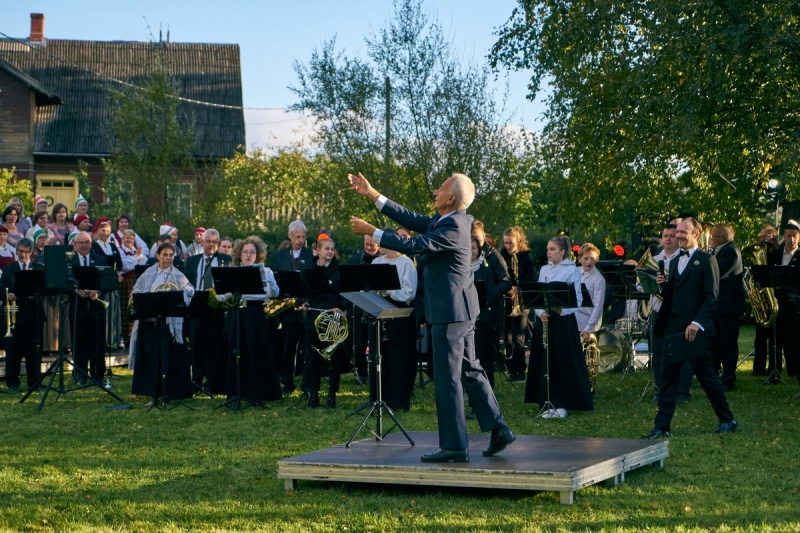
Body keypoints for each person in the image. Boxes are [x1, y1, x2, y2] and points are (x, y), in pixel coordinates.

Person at [349, 171, 514, 463]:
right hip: (460, 310)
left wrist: (373, 232)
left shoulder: (452, 227)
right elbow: (410, 218)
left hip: (451, 312)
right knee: (470, 370)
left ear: (451, 198)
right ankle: (499, 428)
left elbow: (414, 245)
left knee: (447, 379)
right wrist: (372, 193)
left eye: (440, 188)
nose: (435, 192)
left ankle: (454, 445)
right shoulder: (452, 221)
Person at [642, 218, 737, 438]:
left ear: (696, 234)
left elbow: (711, 298)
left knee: (706, 377)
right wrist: (662, 285)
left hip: (694, 331)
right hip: (673, 329)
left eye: (684, 232)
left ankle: (727, 419)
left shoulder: (707, 261)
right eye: (677, 232)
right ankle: (661, 426)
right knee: (668, 378)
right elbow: (673, 295)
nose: (678, 235)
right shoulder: (674, 262)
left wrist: (697, 323)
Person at [525, 237, 594, 418]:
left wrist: (560, 309)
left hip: (562, 322)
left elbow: (577, 299)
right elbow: (538, 295)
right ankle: (546, 399)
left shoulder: (572, 270)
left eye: (553, 249)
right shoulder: (545, 269)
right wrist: (540, 312)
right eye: (548, 249)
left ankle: (562, 403)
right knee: (545, 360)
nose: (548, 252)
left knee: (561, 361)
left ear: (562, 252)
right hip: (546, 320)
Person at [217, 236, 282, 403]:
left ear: (257, 254)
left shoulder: (265, 271)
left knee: (255, 350)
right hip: (236, 313)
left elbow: (274, 294)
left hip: (254, 314)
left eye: (252, 252)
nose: (248, 255)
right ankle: (235, 392)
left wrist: (269, 283)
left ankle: (256, 392)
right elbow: (220, 296)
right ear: (239, 254)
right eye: (245, 252)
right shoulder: (232, 270)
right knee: (234, 348)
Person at [130, 242, 195, 406]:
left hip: (170, 325)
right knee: (153, 359)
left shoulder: (178, 275)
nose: (168, 258)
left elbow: (190, 290)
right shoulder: (148, 273)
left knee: (170, 359)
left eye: (171, 255)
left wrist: (179, 294)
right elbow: (136, 291)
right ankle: (154, 394)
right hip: (151, 324)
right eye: (165, 254)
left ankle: (172, 392)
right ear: (157, 255)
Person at [372, 227, 418, 411]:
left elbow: (409, 292)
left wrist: (388, 288)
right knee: (381, 355)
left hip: (400, 314)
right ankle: (380, 397)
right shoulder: (377, 262)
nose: (378, 246)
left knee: (398, 357)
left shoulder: (406, 263)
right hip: (380, 311)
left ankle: (398, 400)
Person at [302, 232, 348, 408]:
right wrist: (304, 302)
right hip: (313, 319)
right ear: (318, 251)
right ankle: (313, 394)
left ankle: (331, 395)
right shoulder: (309, 269)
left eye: (331, 249)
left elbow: (346, 295)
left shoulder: (339, 270)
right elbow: (304, 292)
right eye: (326, 249)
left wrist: (341, 307)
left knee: (333, 358)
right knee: (312, 358)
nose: (330, 252)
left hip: (333, 319)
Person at [184, 228, 231, 393]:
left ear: (217, 244)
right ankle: (196, 382)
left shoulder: (226, 259)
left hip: (216, 309)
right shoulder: (192, 261)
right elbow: (186, 283)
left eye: (213, 242)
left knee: (213, 346)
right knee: (196, 346)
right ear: (202, 242)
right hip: (196, 307)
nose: (210, 245)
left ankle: (212, 382)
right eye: (208, 241)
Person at [270, 220, 314, 395]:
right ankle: (287, 382)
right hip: (287, 309)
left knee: (306, 347)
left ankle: (307, 383)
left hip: (305, 308)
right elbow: (274, 280)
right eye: (297, 237)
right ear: (290, 235)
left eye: (303, 237)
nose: (300, 240)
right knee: (288, 347)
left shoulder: (311, 254)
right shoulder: (278, 256)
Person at [650, 224, 692, 402]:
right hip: (657, 310)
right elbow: (639, 285)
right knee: (658, 353)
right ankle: (662, 390)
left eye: (672, 236)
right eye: (665, 236)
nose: (668, 239)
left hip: (676, 311)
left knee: (681, 352)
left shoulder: (683, 258)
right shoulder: (654, 258)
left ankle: (682, 392)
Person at [0, 238, 46, 392]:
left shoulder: (38, 268)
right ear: (16, 251)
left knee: (34, 350)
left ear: (31, 251)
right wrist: (8, 295)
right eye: (20, 251)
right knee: (14, 350)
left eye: (26, 251)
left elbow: (45, 289)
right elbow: (1, 289)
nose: (23, 254)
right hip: (16, 315)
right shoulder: (8, 269)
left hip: (34, 314)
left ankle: (34, 381)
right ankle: (12, 382)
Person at [471, 220, 511, 385]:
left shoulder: (493, 256)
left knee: (485, 354)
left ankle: (487, 388)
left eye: (477, 238)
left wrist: (489, 295)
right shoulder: (466, 256)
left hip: (489, 311)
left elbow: (506, 281)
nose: (475, 240)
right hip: (471, 312)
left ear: (483, 236)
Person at [709, 223, 746, 391]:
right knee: (715, 342)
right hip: (718, 305)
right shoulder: (718, 251)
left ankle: (728, 380)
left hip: (729, 306)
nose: (710, 239)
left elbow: (717, 271)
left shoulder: (731, 251)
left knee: (728, 344)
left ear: (724, 238)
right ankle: (713, 376)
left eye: (713, 237)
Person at [69, 231, 108, 384]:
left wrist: (97, 293)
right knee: (78, 344)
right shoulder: (69, 261)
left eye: (87, 242)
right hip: (77, 309)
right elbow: (63, 283)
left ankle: (98, 374)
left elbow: (107, 282)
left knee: (97, 344)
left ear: (91, 244)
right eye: (81, 243)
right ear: (75, 244)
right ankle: (80, 374)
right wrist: (75, 291)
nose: (84, 245)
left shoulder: (100, 259)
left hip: (96, 310)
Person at [500, 225, 537, 381]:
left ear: (519, 242)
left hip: (523, 302)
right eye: (506, 243)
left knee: (518, 337)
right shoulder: (502, 257)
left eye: (511, 243)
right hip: (507, 301)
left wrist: (518, 288)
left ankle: (521, 371)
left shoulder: (526, 259)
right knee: (507, 337)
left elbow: (532, 281)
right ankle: (511, 370)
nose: (508, 246)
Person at [348, 234, 382, 382]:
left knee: (376, 342)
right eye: (366, 244)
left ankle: (377, 373)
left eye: (371, 245)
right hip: (358, 306)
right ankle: (360, 374)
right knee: (359, 342)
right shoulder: (355, 260)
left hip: (377, 306)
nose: (368, 247)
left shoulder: (382, 261)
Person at [769, 220, 800, 382]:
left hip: (794, 304)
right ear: (784, 237)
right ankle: (774, 371)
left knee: (792, 337)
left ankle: (794, 370)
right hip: (776, 302)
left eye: (795, 236)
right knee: (775, 337)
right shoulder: (775, 254)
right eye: (789, 236)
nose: (792, 239)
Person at [91, 217, 124, 351]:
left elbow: (119, 263)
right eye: (102, 230)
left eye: (107, 231)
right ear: (97, 231)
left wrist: (116, 273)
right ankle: (103, 339)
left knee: (113, 312)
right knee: (104, 312)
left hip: (113, 284)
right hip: (101, 284)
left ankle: (114, 339)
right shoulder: (94, 246)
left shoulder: (112, 246)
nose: (105, 233)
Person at [751, 224, 779, 377]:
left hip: (777, 300)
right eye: (761, 237)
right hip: (764, 300)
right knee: (760, 337)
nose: (762, 240)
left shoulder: (778, 253)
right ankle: (758, 368)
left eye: (765, 237)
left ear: (774, 237)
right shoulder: (758, 255)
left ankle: (774, 368)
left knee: (775, 338)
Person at [118, 229, 148, 348]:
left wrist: (137, 256)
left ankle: (134, 335)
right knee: (126, 308)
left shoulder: (135, 251)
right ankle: (125, 336)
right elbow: (126, 266)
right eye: (127, 238)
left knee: (135, 307)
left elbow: (142, 263)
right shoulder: (120, 251)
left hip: (135, 282)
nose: (129, 240)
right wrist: (136, 257)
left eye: (131, 238)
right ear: (122, 239)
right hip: (125, 283)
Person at [575, 243, 605, 341]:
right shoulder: (574, 272)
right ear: (579, 259)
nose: (589, 262)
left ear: (597, 259)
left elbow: (598, 306)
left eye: (592, 259)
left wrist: (588, 328)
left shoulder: (598, 279)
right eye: (586, 258)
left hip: (588, 325)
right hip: (574, 322)